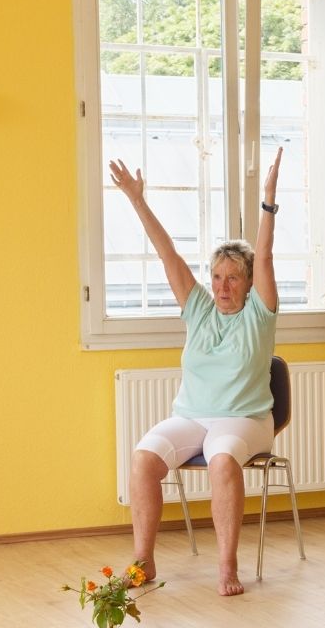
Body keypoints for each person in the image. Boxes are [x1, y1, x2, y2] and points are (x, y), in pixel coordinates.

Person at [112, 147, 284, 597]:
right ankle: (143, 560)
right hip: (192, 416)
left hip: (245, 420)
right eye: (217, 277)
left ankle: (227, 566)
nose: (223, 286)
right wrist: (136, 199)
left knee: (223, 459)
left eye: (233, 277)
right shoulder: (199, 310)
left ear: (249, 283)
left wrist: (267, 201)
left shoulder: (259, 316)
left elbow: (264, 256)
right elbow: (167, 254)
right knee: (143, 459)